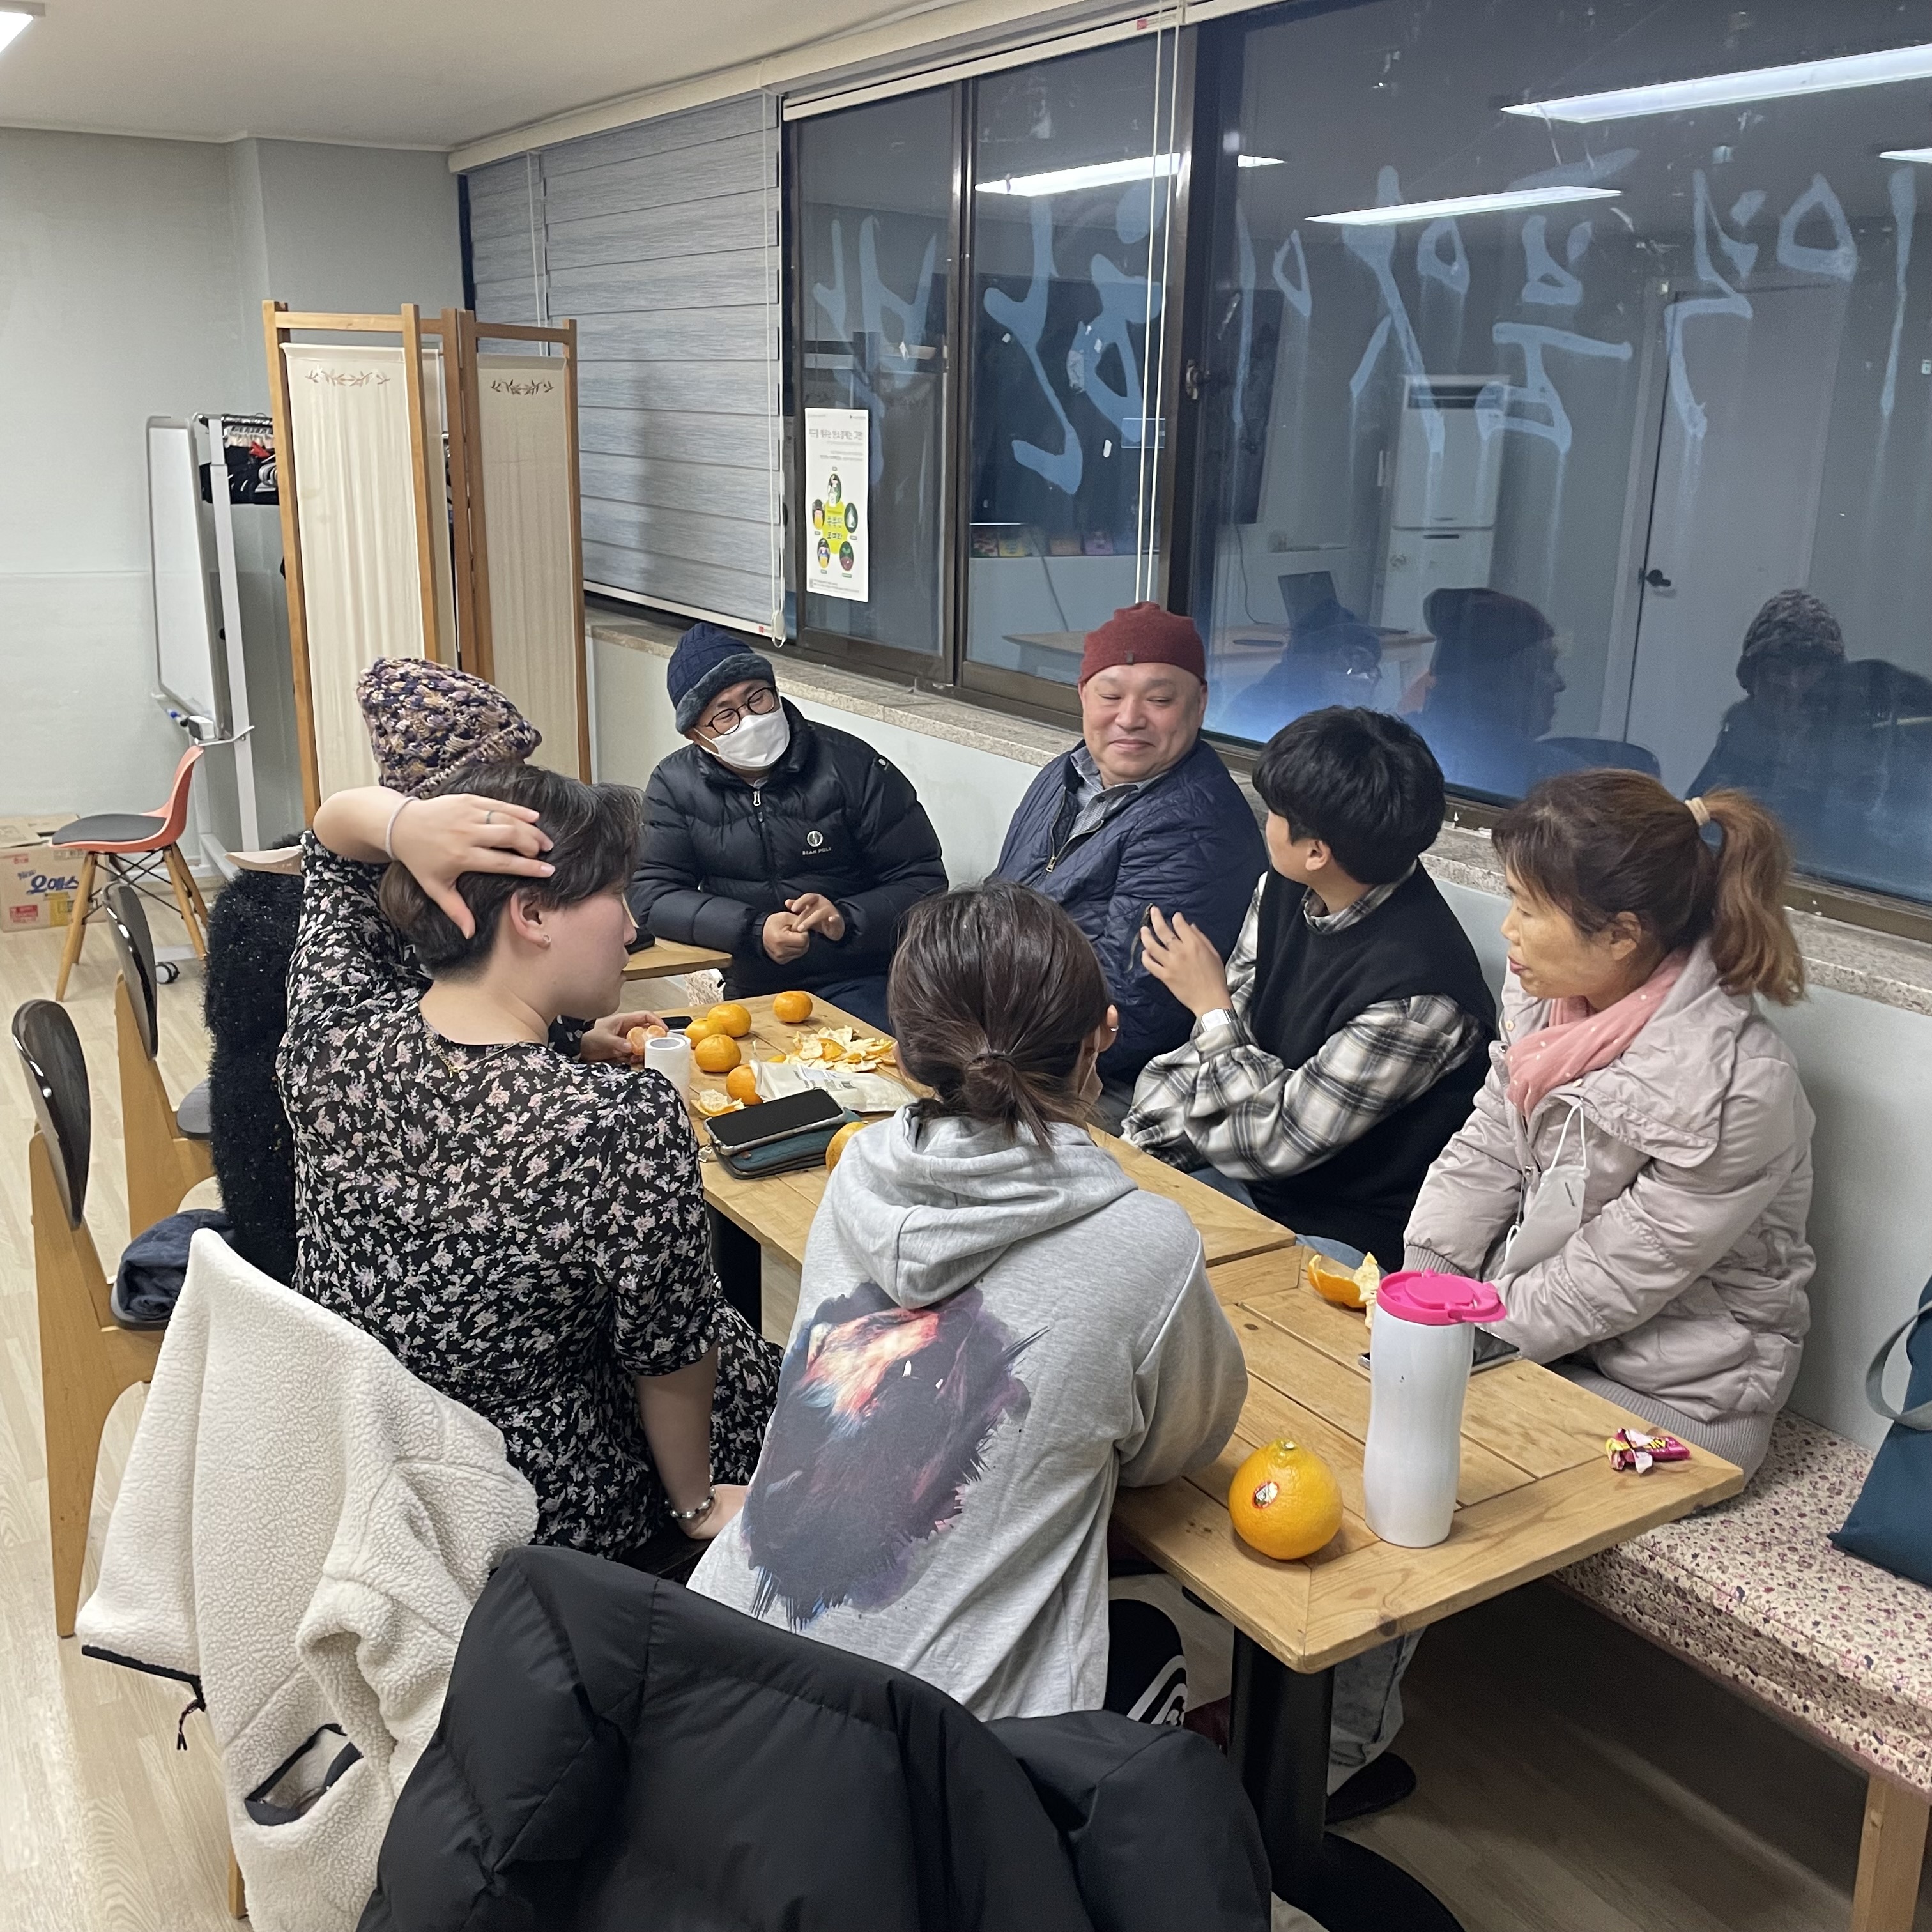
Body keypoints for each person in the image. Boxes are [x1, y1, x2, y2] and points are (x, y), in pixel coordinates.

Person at [689, 881, 1248, 1724]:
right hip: (936, 1757)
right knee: (1148, 1641)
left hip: (718, 1680)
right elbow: (1179, 1447)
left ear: (905, 1057)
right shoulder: (1148, 1244)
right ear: (1102, 1035)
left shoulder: (856, 1171)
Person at [279, 758, 779, 1565]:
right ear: (533, 913)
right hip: (544, 1505)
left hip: (372, 1458)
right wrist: (695, 1503)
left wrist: (406, 825)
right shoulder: (614, 1122)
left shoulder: (333, 1034)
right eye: (617, 897)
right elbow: (670, 1353)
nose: (632, 929)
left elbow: (335, 842)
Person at [1405, 769, 1815, 1482]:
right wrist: (1424, 1289)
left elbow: (1615, 1275)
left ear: (1623, 934)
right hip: (1545, 1338)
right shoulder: (1546, 995)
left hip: (1683, 1401)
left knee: (1449, 1451)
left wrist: (1463, 1341)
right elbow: (1489, 1145)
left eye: (1528, 909)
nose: (1508, 930)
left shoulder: (1742, 1087)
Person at [1124, 707, 1495, 1273]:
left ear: (1317, 851)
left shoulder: (1420, 996)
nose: (1267, 823)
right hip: (1242, 1180)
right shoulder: (1285, 886)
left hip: (1341, 1238)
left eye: (1275, 813)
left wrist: (1212, 1009)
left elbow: (1272, 1141)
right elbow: (1201, 1063)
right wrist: (1132, 1153)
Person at [993, 603, 1267, 1119]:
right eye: (1110, 696)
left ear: (1200, 703)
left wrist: (975, 1027)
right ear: (1082, 694)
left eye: (1159, 700)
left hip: (1091, 1081)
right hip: (1003, 1033)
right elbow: (997, 898)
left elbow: (1129, 1017)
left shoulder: (1196, 825)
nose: (1130, 718)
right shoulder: (1068, 772)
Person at [629, 622, 947, 1033]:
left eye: (757, 698)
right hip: (755, 986)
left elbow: (923, 881)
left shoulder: (853, 766)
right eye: (725, 715)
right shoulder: (675, 785)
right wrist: (753, 929)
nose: (750, 719)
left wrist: (845, 919)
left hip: (865, 978)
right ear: (697, 735)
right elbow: (653, 894)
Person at [1417, 586, 1657, 795]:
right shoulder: (1556, 780)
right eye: (1546, 666)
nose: (1559, 684)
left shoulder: (1405, 748)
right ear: (1501, 677)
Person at [1689, 588, 1846, 805]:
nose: (1793, 684)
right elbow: (1698, 815)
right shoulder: (1739, 740)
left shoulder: (1849, 744)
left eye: (1807, 670)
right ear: (1754, 677)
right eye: (1780, 669)